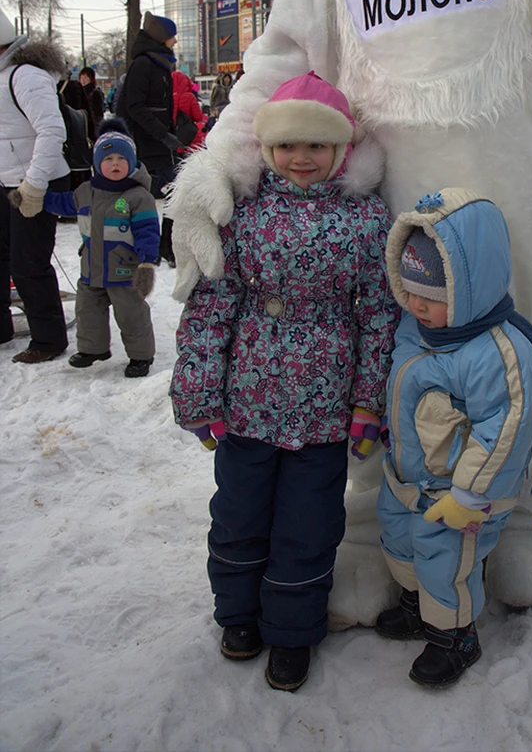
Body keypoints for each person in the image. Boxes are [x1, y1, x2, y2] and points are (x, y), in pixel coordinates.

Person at [169, 72, 399, 692]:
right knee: (239, 514)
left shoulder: (365, 221)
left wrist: (367, 402)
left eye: (317, 146)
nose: (302, 158)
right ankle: (238, 615)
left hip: (324, 413)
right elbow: (212, 304)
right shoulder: (243, 215)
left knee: (308, 525)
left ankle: (293, 632)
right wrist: (197, 392)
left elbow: (379, 315)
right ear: (268, 151)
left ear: (341, 151)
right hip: (246, 405)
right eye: (288, 146)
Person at [375, 189, 532, 689]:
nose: (416, 305)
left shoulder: (497, 354)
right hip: (409, 477)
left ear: (471, 288)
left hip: (461, 493)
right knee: (399, 539)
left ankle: (455, 637)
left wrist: (471, 493)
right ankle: (418, 606)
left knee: (445, 561)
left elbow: (506, 427)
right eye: (409, 291)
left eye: (432, 297)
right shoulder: (419, 329)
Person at [43, 119, 159, 378]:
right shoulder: (86, 191)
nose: (115, 163)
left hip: (125, 272)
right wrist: (36, 197)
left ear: (131, 162)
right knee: (87, 311)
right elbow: (62, 203)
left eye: (121, 158)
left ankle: (141, 356)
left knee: (131, 314)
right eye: (108, 159)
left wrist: (146, 263)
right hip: (91, 269)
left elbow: (148, 233)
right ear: (97, 164)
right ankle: (93, 349)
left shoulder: (138, 197)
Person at [0, 7, 71, 363]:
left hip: (35, 180)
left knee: (28, 263)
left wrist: (34, 185)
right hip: (5, 178)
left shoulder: (25, 76)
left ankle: (48, 339)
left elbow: (52, 130)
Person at [117, 11, 181, 266]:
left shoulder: (160, 63)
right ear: (161, 37)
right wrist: (163, 134)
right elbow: (134, 106)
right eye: (172, 36)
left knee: (175, 195)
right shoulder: (144, 64)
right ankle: (148, 247)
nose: (175, 41)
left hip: (160, 146)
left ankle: (166, 246)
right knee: (141, 200)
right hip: (145, 146)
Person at [172, 70, 206, 154]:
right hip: (189, 137)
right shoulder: (190, 96)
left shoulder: (167, 98)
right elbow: (198, 117)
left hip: (172, 137)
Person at [78, 67, 105, 131]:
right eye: (81, 77)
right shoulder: (79, 91)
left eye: (86, 77)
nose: (83, 80)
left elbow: (98, 113)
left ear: (91, 79)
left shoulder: (95, 92)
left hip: (92, 124)